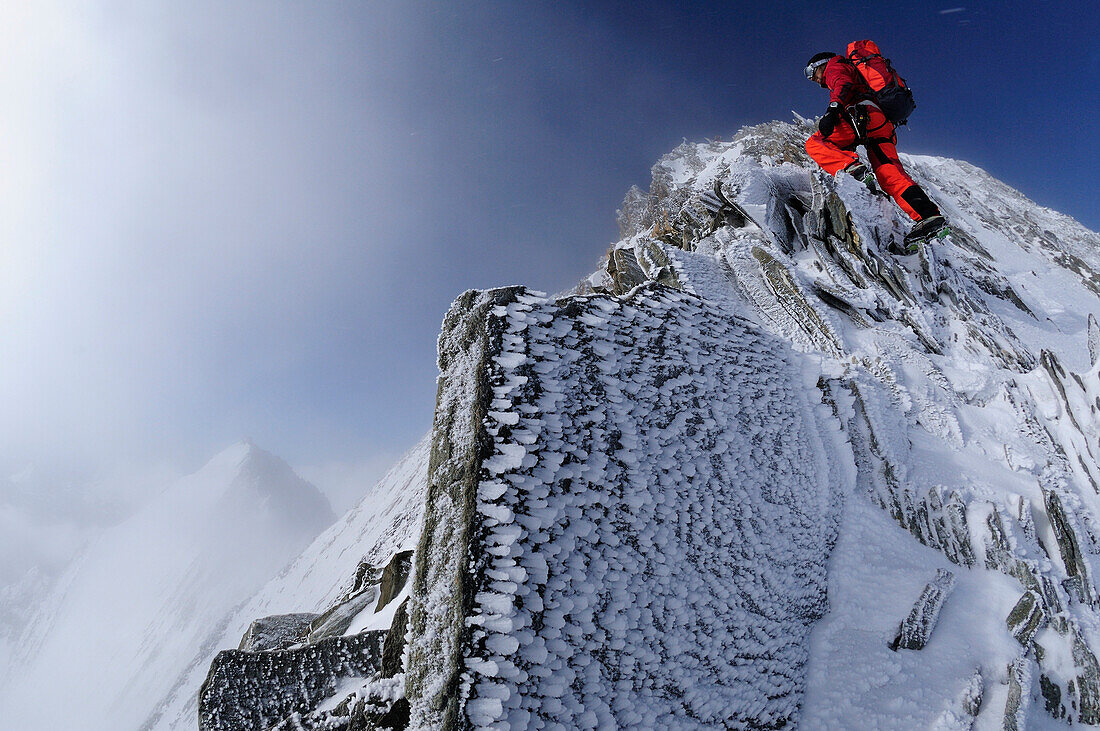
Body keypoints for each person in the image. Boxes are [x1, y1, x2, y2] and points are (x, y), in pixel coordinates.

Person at [803, 51, 946, 246]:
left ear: (821, 64)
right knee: (889, 173)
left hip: (860, 117)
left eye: (812, 72)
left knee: (815, 143)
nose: (813, 78)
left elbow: (842, 83)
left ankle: (851, 167)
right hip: (881, 124)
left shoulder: (835, 65)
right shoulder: (850, 71)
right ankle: (928, 215)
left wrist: (833, 110)